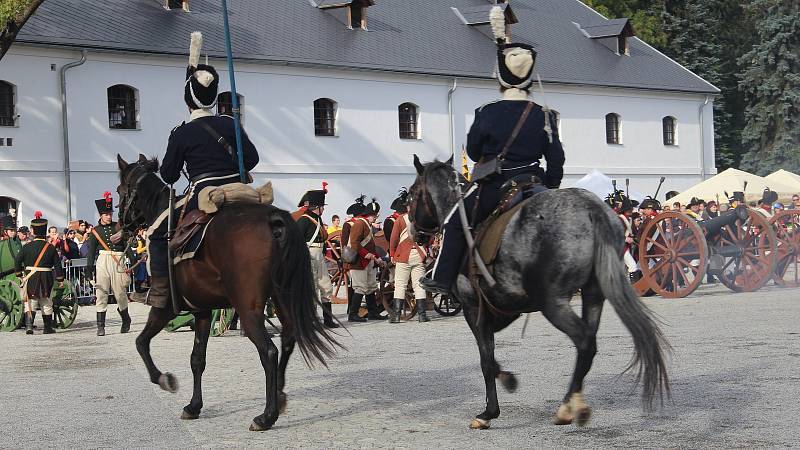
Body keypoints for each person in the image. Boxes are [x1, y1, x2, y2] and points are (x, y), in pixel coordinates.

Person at [419, 21, 565, 295]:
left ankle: (441, 277)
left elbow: (473, 152)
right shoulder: (544, 114)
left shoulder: (487, 112)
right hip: (536, 183)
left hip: (498, 185)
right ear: (528, 78)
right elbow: (556, 158)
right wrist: (551, 187)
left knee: (454, 220)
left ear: (500, 78)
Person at [146, 31, 260, 310]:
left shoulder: (182, 133)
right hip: (241, 191)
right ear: (212, 98)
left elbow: (169, 176)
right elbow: (253, 158)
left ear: (188, 100)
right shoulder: (230, 123)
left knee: (155, 233)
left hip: (204, 193)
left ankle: (161, 293)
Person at [85, 192, 134, 336]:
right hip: (103, 261)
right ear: (101, 215)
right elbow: (91, 252)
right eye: (106, 214)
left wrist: (133, 260)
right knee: (101, 293)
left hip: (118, 260)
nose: (109, 216)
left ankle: (126, 320)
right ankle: (101, 326)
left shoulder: (118, 227)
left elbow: (126, 245)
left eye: (110, 213)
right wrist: (89, 269)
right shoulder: (95, 231)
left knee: (120, 294)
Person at [296, 187, 339, 328]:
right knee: (312, 289)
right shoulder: (304, 220)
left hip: (319, 255)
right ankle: (311, 320)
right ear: (317, 207)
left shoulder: (317, 219)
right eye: (322, 206)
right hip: (309, 255)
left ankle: (328, 319)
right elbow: (296, 241)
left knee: (326, 287)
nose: (324, 209)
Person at [14, 212, 63, 334]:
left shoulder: (27, 247)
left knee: (31, 301)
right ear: (45, 231)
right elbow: (57, 265)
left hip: (31, 277)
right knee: (46, 302)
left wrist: (19, 275)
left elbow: (17, 260)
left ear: (33, 231)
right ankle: (47, 328)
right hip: (46, 277)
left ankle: (29, 326)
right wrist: (60, 279)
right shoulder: (50, 247)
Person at [388, 188, 429, 323]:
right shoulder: (422, 219)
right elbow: (428, 236)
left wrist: (393, 254)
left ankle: (397, 315)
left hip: (403, 255)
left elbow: (394, 239)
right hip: (418, 253)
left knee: (400, 285)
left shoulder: (400, 220)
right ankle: (422, 315)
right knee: (419, 285)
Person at [345, 197, 387, 322]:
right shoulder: (359, 224)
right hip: (359, 261)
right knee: (360, 287)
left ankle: (373, 312)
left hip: (367, 261)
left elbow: (371, 246)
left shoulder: (367, 224)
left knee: (370, 287)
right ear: (369, 215)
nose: (375, 218)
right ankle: (353, 314)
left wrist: (378, 258)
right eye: (374, 216)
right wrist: (367, 255)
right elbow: (354, 243)